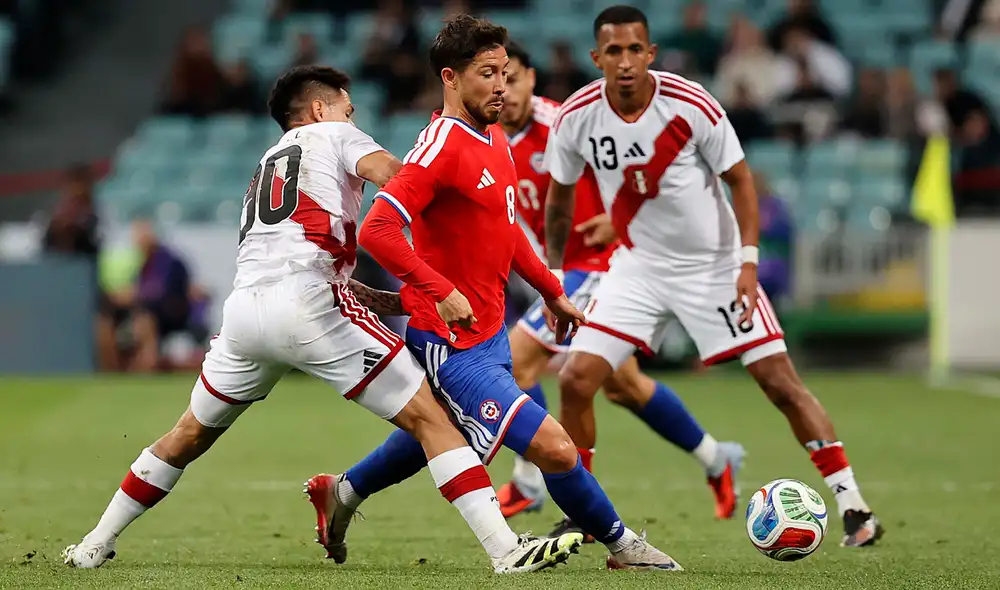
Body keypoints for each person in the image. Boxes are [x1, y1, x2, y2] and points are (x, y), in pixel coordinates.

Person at [62, 65, 581, 575]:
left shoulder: (268, 160)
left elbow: (299, 244)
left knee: (187, 435)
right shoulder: (334, 134)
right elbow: (402, 180)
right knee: (433, 420)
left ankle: (94, 542)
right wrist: (469, 208)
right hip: (310, 304)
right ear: (318, 109)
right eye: (347, 109)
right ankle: (504, 550)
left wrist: (401, 296)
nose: (352, 119)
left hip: (245, 313)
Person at [306, 15, 683, 571]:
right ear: (451, 79)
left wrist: (551, 290)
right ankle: (623, 546)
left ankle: (342, 492)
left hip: (491, 335)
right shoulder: (440, 148)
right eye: (488, 73)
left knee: (432, 435)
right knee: (555, 447)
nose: (502, 86)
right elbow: (379, 229)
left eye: (505, 72)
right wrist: (438, 290)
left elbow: (504, 230)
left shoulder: (495, 134)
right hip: (451, 344)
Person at [543, 6, 883, 548]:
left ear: (650, 53)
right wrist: (555, 278)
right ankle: (585, 511)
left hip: (715, 266)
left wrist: (747, 262)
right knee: (575, 380)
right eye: (614, 51)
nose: (625, 62)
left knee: (779, 383)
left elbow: (743, 182)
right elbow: (559, 205)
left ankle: (854, 506)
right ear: (596, 57)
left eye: (635, 50)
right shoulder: (576, 116)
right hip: (637, 266)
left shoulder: (691, 103)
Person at [494, 41, 744, 526]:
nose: (507, 88)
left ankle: (529, 482)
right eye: (497, 77)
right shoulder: (490, 136)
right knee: (622, 386)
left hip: (604, 264)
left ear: (531, 79)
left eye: (516, 76)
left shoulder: (561, 124)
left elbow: (637, 164)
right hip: (564, 268)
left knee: (516, 361)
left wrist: (618, 216)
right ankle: (717, 458)